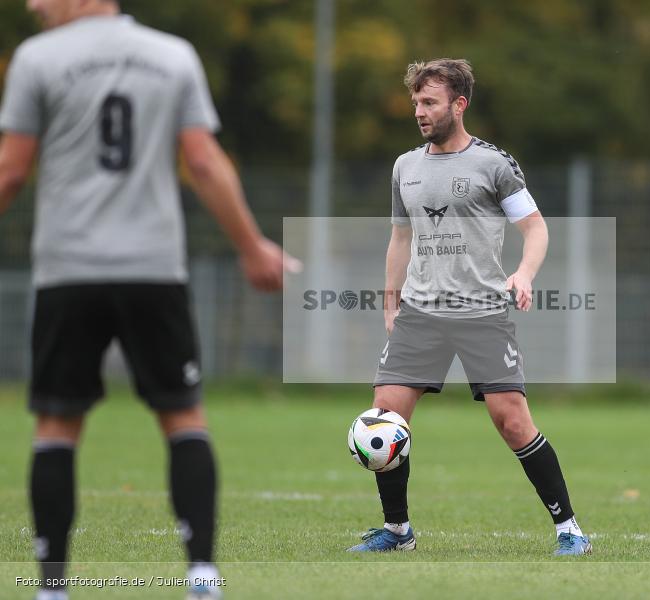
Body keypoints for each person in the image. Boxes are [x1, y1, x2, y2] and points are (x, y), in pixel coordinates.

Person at [0, 1, 300, 598]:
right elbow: (204, 161)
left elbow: (10, 170)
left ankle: (52, 586)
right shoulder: (173, 55)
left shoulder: (37, 60)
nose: (32, 4)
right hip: (153, 269)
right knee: (182, 415)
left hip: (70, 270)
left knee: (58, 423)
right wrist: (251, 245)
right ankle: (202, 574)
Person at [347, 58, 591, 556]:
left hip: (481, 311)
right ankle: (397, 532)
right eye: (416, 101)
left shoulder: (493, 165)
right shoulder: (405, 166)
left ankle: (570, 531)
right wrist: (391, 300)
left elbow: (536, 228)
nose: (419, 111)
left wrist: (522, 274)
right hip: (420, 312)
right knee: (385, 415)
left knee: (512, 421)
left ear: (459, 105)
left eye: (429, 102)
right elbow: (400, 236)